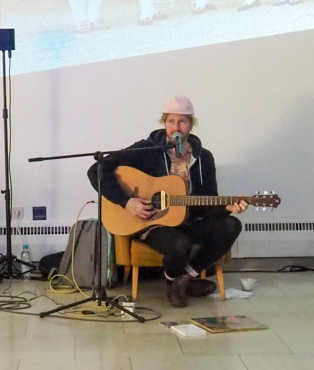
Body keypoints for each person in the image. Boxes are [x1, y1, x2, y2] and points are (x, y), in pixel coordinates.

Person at [88, 96, 248, 308]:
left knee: (231, 225)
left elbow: (208, 200)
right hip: (153, 223)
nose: (176, 128)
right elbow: (96, 170)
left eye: (182, 122)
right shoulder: (146, 150)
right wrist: (127, 202)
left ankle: (183, 280)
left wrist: (226, 208)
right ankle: (179, 282)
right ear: (164, 122)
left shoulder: (203, 158)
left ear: (191, 123)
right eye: (171, 121)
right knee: (180, 243)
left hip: (189, 222)